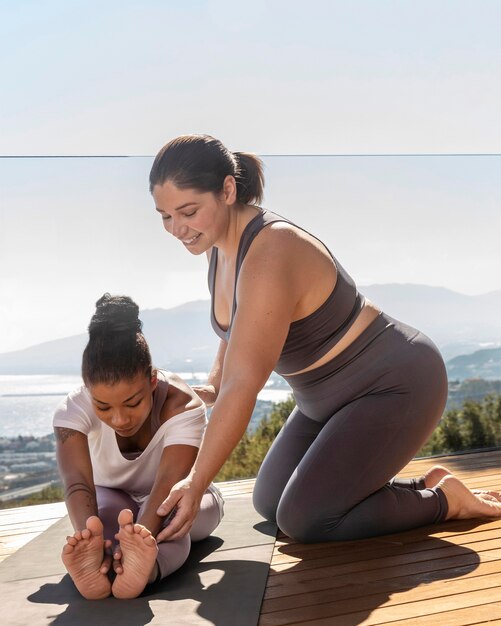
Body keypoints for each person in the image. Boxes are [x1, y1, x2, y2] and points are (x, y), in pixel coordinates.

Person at [148, 134, 501, 545]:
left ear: (228, 190)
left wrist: (195, 482)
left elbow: (244, 384)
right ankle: (423, 485)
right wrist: (212, 385)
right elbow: (238, 331)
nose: (177, 229)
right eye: (165, 216)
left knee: (305, 520)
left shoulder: (271, 248)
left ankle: (445, 502)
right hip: (320, 402)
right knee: (270, 502)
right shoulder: (217, 246)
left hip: (394, 384)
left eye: (187, 212)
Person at [53, 293, 224, 599]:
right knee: (102, 527)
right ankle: (99, 565)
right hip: (112, 496)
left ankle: (146, 570)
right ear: (88, 390)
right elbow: (78, 484)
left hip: (178, 497)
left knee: (170, 526)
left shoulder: (182, 405)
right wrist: (89, 537)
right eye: (103, 407)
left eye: (133, 403)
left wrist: (141, 542)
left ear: (152, 380)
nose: (119, 419)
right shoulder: (72, 411)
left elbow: (167, 488)